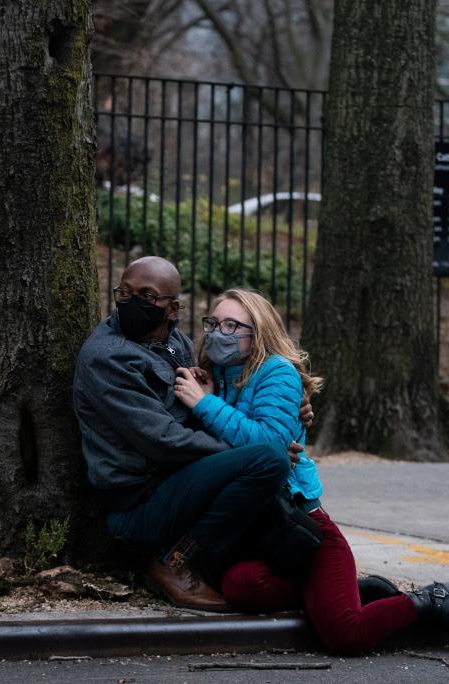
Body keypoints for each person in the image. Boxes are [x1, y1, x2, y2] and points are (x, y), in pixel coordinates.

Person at [172, 288, 449, 655]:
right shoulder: (214, 376)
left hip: (300, 523)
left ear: (260, 332)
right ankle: (354, 590)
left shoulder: (277, 374)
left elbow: (268, 445)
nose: (218, 333)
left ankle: (430, 599)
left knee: (345, 633)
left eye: (232, 325)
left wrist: (204, 405)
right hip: (256, 530)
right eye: (214, 323)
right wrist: (209, 397)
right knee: (241, 586)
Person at [71, 257, 302, 611]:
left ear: (173, 308)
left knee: (275, 501)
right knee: (268, 460)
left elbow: (220, 400)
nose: (133, 303)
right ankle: (174, 561)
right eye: (125, 293)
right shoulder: (106, 357)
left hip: (180, 484)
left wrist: (294, 416)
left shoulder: (175, 342)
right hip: (140, 502)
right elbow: (163, 440)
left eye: (148, 296)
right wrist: (243, 451)